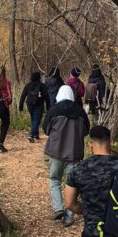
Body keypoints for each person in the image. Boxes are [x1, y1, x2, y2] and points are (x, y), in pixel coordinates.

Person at [42, 85, 89, 226]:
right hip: (75, 153)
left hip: (56, 152)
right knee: (72, 184)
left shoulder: (54, 110)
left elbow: (46, 129)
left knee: (55, 179)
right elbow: (86, 131)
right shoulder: (80, 112)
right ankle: (69, 215)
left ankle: (58, 208)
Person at [19, 70, 47, 142]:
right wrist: (48, 106)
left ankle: (36, 135)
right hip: (39, 104)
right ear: (39, 77)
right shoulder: (42, 85)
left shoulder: (28, 85)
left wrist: (20, 106)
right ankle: (32, 135)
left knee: (34, 119)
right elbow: (47, 96)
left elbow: (23, 96)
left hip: (29, 104)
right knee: (36, 120)